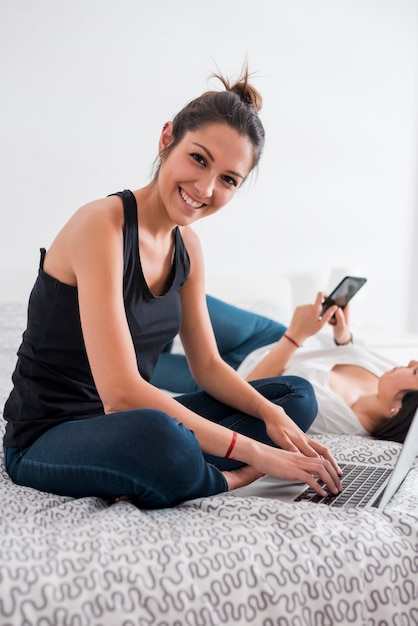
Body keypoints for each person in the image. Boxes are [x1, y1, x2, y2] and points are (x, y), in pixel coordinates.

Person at [2, 68, 342, 509]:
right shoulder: (100, 225)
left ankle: (186, 467)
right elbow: (122, 393)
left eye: (228, 180)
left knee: (294, 397)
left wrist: (268, 414)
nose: (205, 188)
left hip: (128, 425)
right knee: (162, 438)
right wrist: (257, 454)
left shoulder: (189, 249)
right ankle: (224, 480)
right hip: (48, 437)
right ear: (167, 139)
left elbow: (208, 366)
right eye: (199, 159)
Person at [152, 293, 418, 444]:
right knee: (172, 293)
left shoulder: (339, 421)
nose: (412, 363)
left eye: (415, 373)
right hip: (266, 338)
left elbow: (248, 396)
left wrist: (296, 337)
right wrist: (343, 336)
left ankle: (151, 337)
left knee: (139, 359)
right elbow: (348, 352)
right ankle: (154, 330)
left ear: (400, 407)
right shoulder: (388, 375)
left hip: (225, 377)